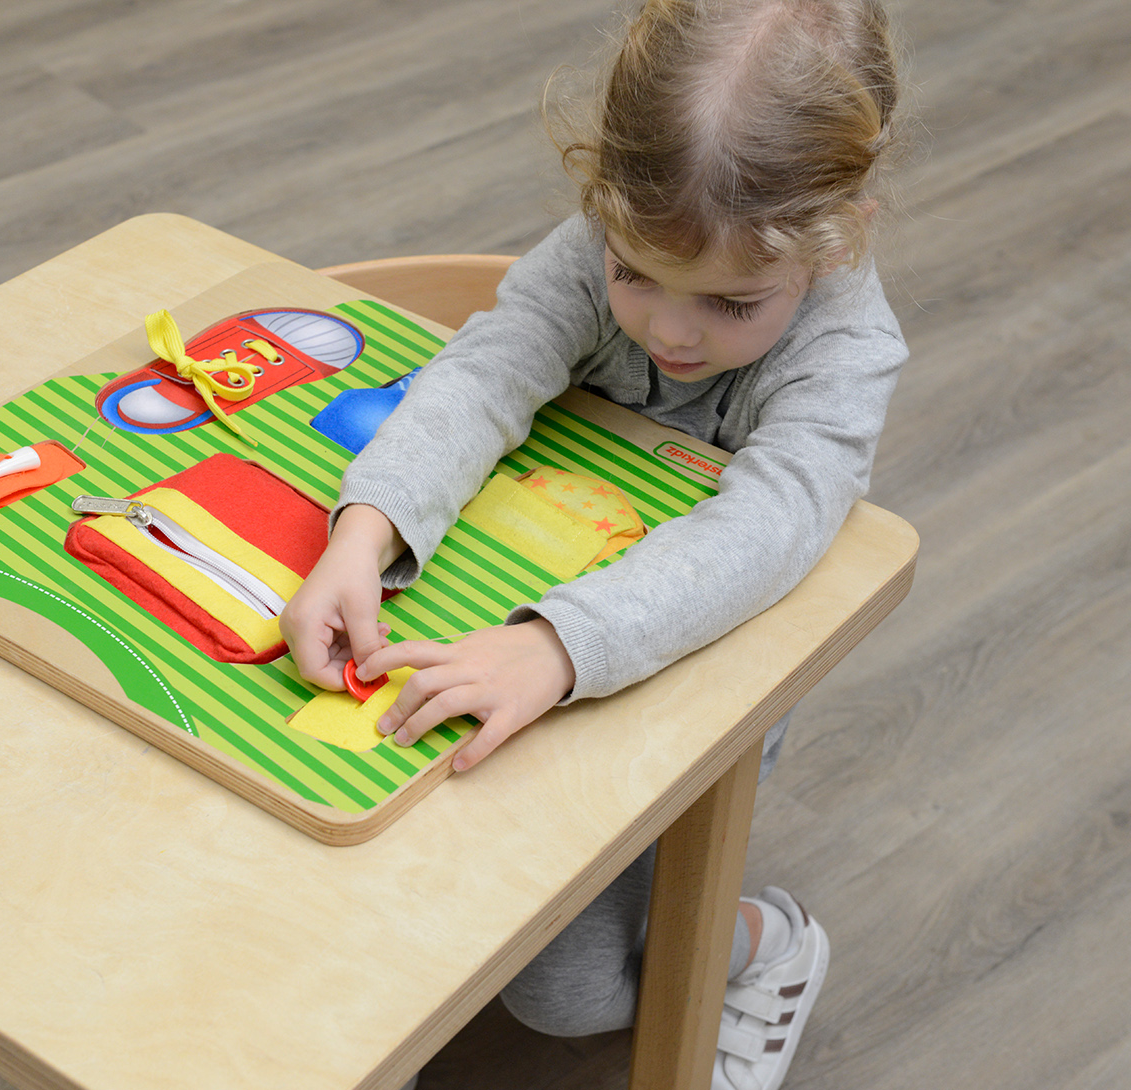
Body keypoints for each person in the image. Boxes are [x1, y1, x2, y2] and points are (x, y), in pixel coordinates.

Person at [280, 0, 908, 1086]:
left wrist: (556, 646)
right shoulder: (593, 249)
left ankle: (764, 947)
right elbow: (484, 371)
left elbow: (762, 536)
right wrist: (364, 529)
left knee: (563, 998)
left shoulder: (847, 350)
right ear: (599, 204)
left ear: (837, 232)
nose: (668, 329)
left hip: (682, 668)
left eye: (728, 302)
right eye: (631, 273)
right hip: (527, 607)